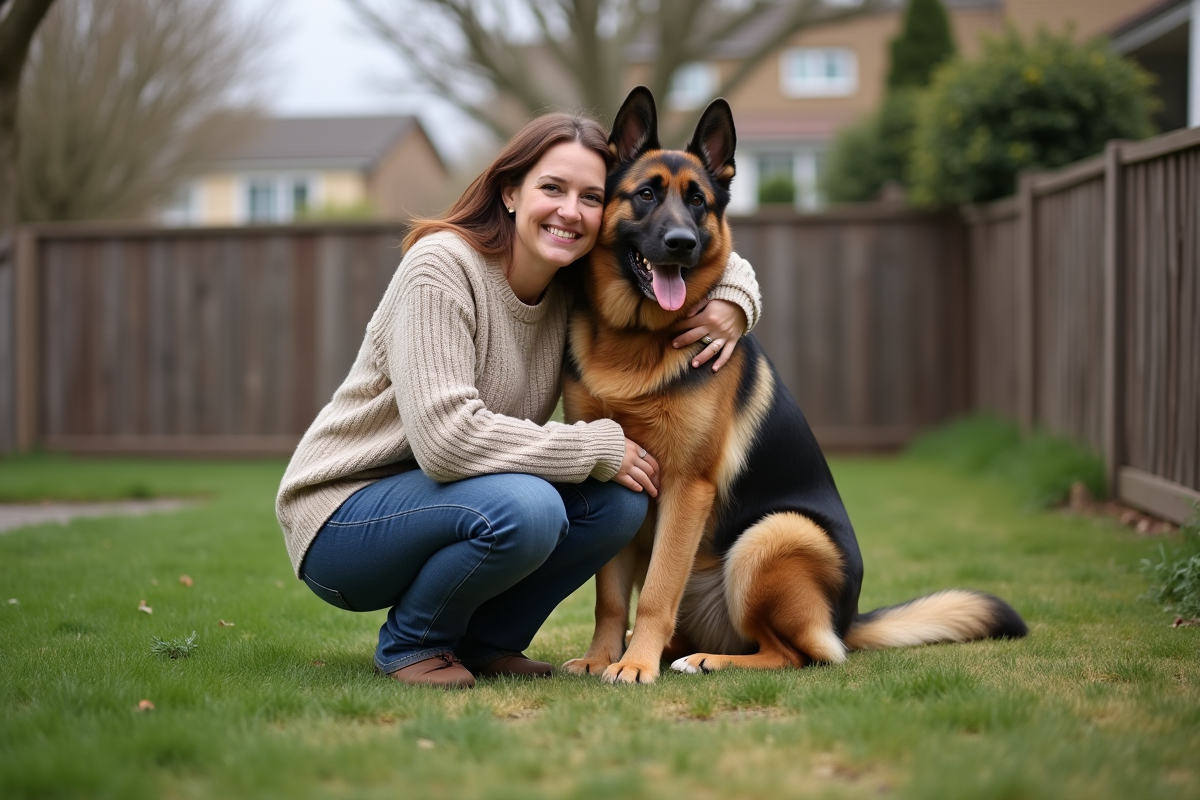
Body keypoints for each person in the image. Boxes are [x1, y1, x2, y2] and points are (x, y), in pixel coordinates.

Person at [275, 111, 761, 688]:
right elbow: (446, 442)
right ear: (510, 192)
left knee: (619, 505)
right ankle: (413, 644)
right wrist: (597, 445)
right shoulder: (440, 267)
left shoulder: (569, 283)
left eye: (589, 196)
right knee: (530, 508)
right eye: (551, 189)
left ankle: (488, 644)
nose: (569, 211)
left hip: (453, 501)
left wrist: (736, 300)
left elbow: (691, 240)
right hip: (345, 522)